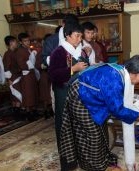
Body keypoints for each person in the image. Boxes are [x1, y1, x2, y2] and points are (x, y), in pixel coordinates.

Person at [59, 55, 139, 171]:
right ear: (134, 72)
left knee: (99, 132)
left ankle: (96, 162)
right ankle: (94, 166)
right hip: (80, 97)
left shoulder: (121, 71)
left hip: (90, 95)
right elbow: (117, 110)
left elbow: (115, 102)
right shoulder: (114, 79)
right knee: (93, 135)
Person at [48, 22, 90, 169]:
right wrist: (73, 69)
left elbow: (87, 70)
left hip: (80, 94)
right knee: (65, 126)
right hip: (63, 94)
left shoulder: (82, 52)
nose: (80, 39)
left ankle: (82, 157)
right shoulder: (58, 52)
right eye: (77, 36)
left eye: (81, 36)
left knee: (80, 125)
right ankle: (68, 162)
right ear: (67, 35)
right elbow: (53, 75)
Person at [15, 32, 38, 121]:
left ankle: (32, 111)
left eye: (28, 40)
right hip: (26, 75)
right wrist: (29, 64)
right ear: (20, 42)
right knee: (28, 94)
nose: (27, 42)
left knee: (32, 93)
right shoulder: (20, 51)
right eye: (25, 41)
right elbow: (21, 64)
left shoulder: (28, 49)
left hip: (31, 74)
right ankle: (28, 113)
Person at [3, 35, 22, 119]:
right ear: (11, 43)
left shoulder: (14, 52)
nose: (16, 43)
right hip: (13, 77)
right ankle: (17, 114)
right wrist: (9, 79)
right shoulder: (8, 54)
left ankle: (16, 113)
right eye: (15, 42)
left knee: (14, 96)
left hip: (16, 75)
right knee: (17, 96)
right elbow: (6, 67)